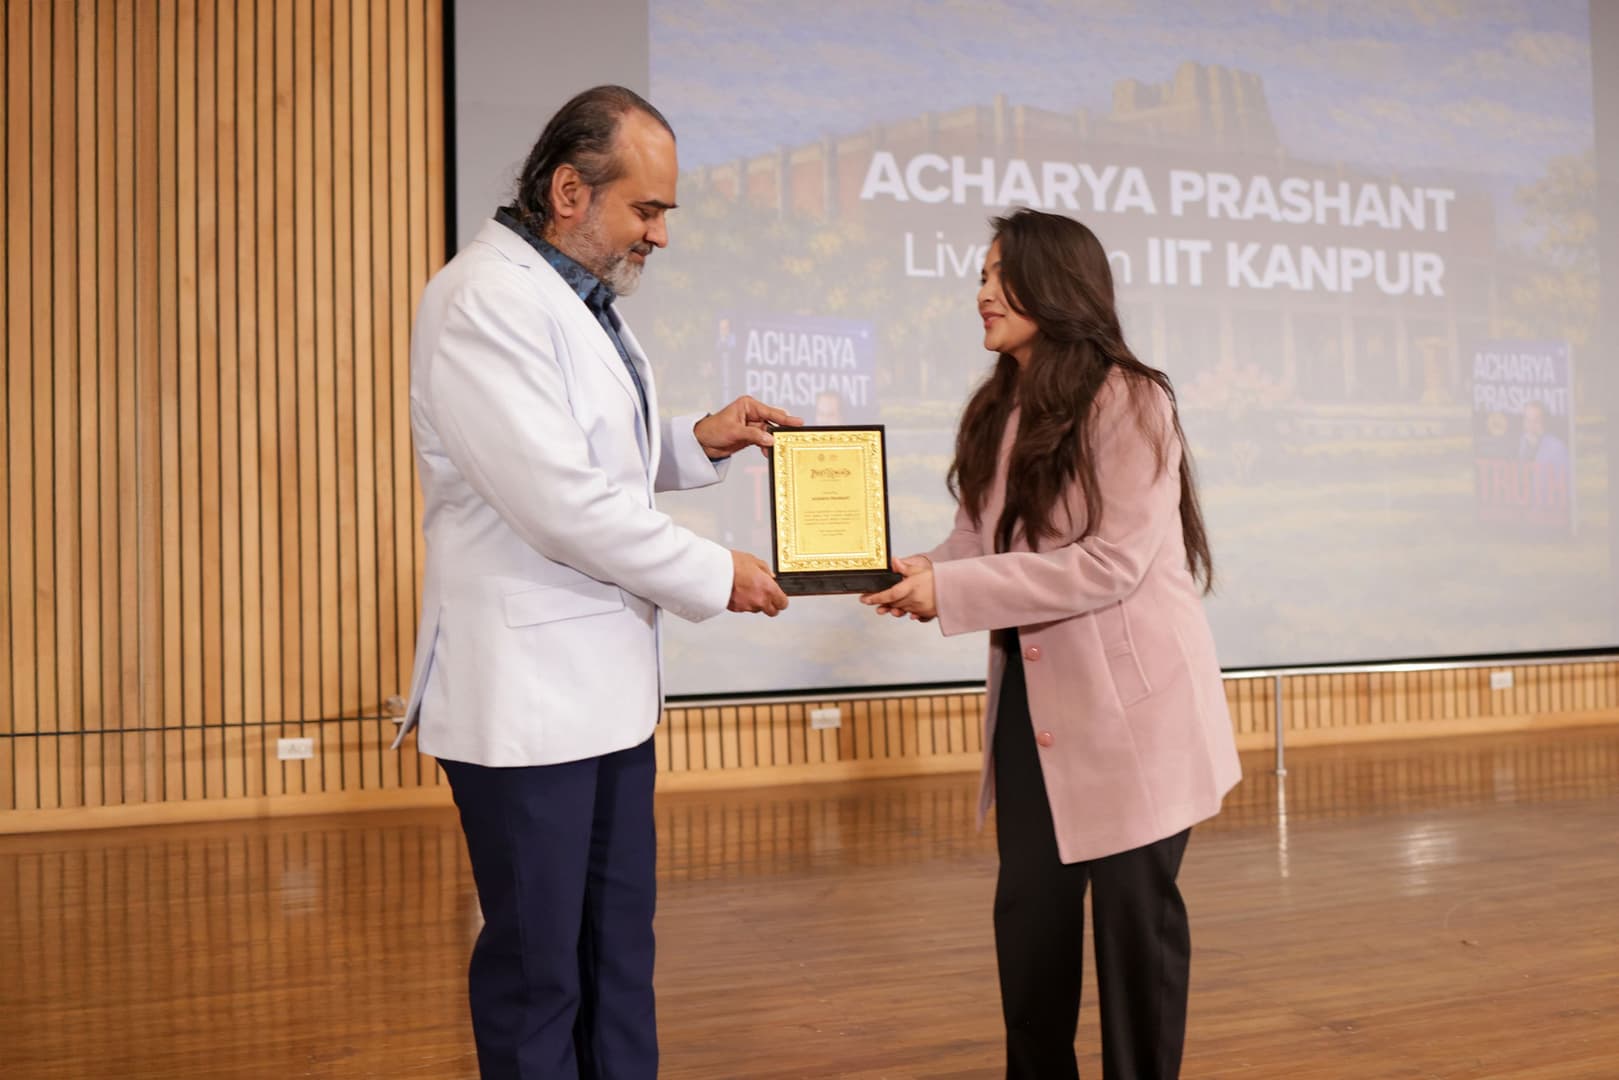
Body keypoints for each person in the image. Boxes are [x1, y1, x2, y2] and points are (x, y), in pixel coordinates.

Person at [394, 85, 800, 1080]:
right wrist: (719, 573)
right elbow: (557, 503)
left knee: (617, 961)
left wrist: (698, 442)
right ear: (569, 191)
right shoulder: (480, 302)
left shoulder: (578, 299)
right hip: (525, 710)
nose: (659, 235)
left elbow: (591, 460)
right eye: (646, 210)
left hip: (606, 700)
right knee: (542, 977)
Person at [862, 208, 1241, 1079]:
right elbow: (982, 542)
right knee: (1028, 930)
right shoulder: (998, 404)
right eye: (981, 276)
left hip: (1133, 718)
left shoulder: (1131, 396)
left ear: (1056, 285)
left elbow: (1107, 564)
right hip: (1033, 715)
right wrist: (920, 566)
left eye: (999, 275)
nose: (981, 293)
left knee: (1131, 936)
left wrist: (951, 588)